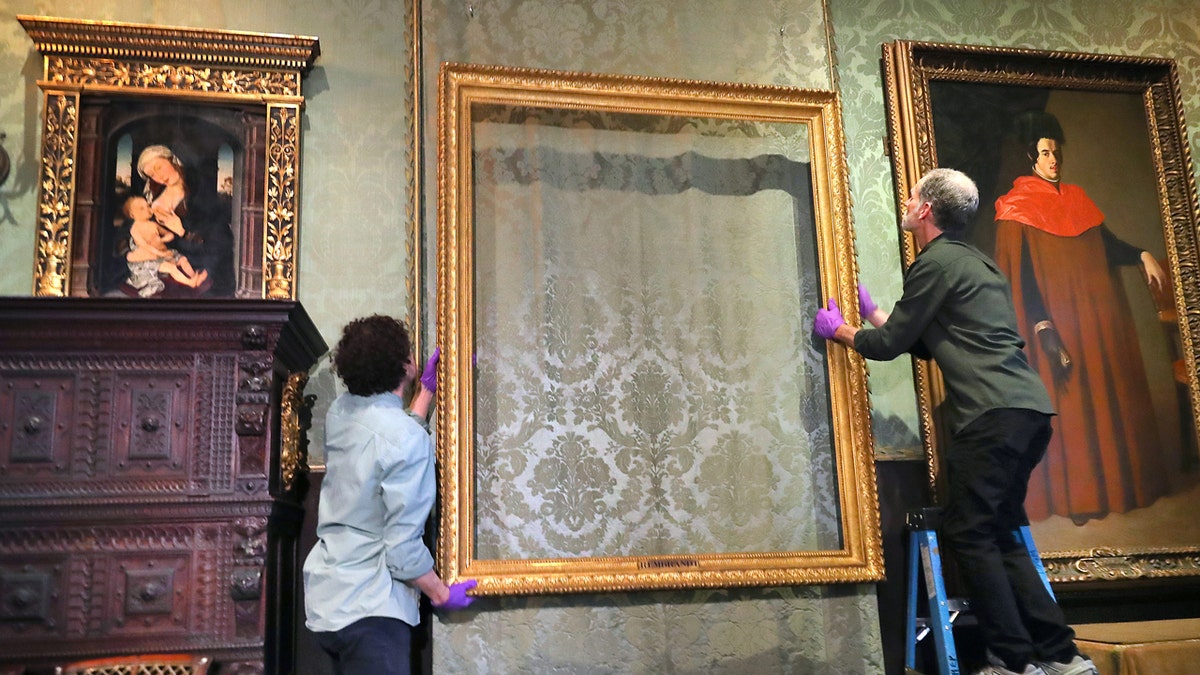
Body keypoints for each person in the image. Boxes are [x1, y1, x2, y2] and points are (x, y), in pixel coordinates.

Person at [813, 169, 1096, 675]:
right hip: (1027, 411)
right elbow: (924, 340)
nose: (906, 198)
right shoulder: (974, 262)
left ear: (924, 211)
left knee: (968, 533)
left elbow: (889, 346)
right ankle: (1062, 656)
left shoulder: (933, 263)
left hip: (989, 417)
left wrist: (841, 331)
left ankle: (1013, 661)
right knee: (1002, 530)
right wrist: (877, 313)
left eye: (914, 193)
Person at [993, 110, 1169, 524]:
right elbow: (1024, 280)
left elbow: (1106, 246)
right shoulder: (1016, 207)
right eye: (1045, 152)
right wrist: (1043, 326)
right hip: (1053, 324)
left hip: (1096, 321)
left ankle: (1114, 489)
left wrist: (1142, 253)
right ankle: (1081, 500)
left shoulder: (1076, 196)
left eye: (1056, 151)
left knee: (1105, 398)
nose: (1054, 159)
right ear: (1030, 158)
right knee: (1070, 407)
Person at [303, 317, 475, 675]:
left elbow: (384, 442)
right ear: (404, 364)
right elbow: (402, 550)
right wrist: (441, 593)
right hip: (371, 610)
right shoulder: (403, 439)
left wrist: (425, 394)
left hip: (327, 603)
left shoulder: (341, 413)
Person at [137, 144, 235, 295]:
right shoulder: (156, 203)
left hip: (207, 262)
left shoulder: (200, 189)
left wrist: (182, 231)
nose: (159, 176)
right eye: (152, 174)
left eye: (159, 167)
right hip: (176, 264)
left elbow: (219, 238)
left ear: (172, 160)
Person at [120, 195, 209, 297]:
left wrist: (162, 239)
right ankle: (190, 283)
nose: (147, 209)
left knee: (183, 260)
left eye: (148, 206)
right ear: (132, 214)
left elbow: (169, 235)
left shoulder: (153, 224)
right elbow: (144, 247)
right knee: (172, 268)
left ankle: (194, 277)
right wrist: (160, 253)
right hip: (151, 259)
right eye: (141, 208)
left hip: (165, 253)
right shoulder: (135, 230)